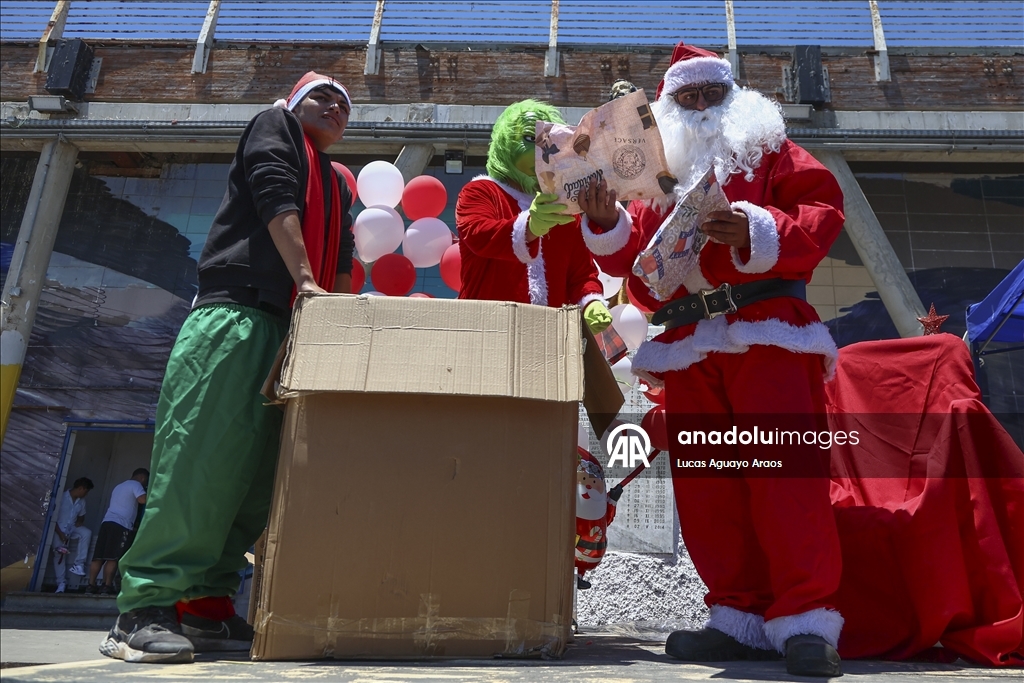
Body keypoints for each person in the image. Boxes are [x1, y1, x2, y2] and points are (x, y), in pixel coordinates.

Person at [578, 43, 846, 677]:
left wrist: (754, 228)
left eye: (711, 94)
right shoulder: (654, 178)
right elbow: (635, 267)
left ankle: (805, 619)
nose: (699, 107)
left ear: (736, 97)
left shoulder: (774, 151)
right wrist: (605, 222)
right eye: (686, 98)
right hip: (690, 343)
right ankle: (738, 614)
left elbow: (820, 213)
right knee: (709, 491)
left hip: (767, 332)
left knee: (785, 479)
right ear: (668, 107)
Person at [100, 71, 355, 665]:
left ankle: (206, 606)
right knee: (200, 464)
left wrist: (334, 316)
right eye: (323, 96)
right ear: (294, 102)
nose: (335, 108)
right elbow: (275, 198)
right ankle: (142, 607)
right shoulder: (275, 127)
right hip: (236, 315)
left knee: (255, 480)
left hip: (294, 327)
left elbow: (341, 249)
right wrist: (309, 283)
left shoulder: (338, 182)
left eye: (345, 105)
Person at [455, 99, 612, 333]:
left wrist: (590, 301)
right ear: (504, 141)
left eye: (554, 143)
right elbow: (478, 234)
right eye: (531, 139)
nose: (544, 152)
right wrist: (529, 227)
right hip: (485, 331)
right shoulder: (481, 191)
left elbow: (581, 272)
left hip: (548, 338)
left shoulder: (563, 207)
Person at [86, 468, 148, 596]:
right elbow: (143, 500)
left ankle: (91, 586)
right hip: (121, 525)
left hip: (106, 523)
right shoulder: (136, 485)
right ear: (142, 477)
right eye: (145, 481)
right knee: (113, 558)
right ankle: (106, 586)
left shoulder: (119, 486)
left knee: (98, 557)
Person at [51, 477, 93, 593]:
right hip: (58, 529)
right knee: (59, 555)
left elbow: (81, 516)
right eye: (86, 491)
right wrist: (60, 534)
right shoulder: (62, 497)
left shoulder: (81, 501)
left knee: (86, 533)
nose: (87, 494)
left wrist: (80, 521)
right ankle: (61, 584)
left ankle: (79, 564)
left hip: (72, 528)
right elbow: (52, 518)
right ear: (81, 488)